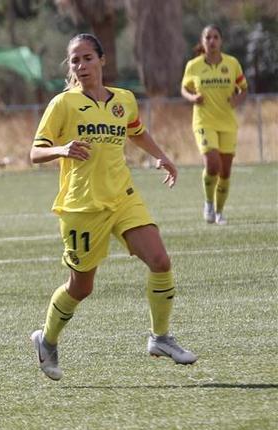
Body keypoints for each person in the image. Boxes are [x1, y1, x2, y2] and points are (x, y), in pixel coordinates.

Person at [28, 34, 197, 382]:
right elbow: (35, 152)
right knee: (81, 287)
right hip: (83, 207)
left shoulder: (123, 100)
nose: (81, 66)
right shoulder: (63, 104)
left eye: (88, 58)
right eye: (75, 60)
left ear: (102, 60)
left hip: (123, 196)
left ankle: (160, 337)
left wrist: (162, 156)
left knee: (160, 260)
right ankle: (47, 339)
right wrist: (61, 150)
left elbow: (136, 131)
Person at [181, 25, 248, 226]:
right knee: (212, 163)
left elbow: (244, 88)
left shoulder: (232, 63)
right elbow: (184, 88)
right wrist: (193, 97)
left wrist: (238, 99)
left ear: (221, 41)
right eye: (208, 37)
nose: (212, 41)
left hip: (227, 122)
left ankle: (219, 212)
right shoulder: (193, 65)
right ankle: (208, 203)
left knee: (225, 171)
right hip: (204, 121)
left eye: (215, 37)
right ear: (202, 42)